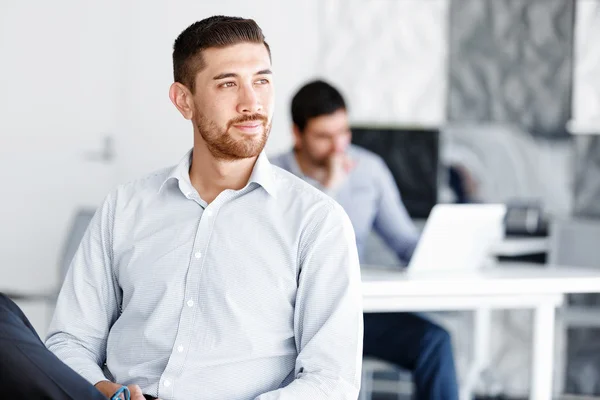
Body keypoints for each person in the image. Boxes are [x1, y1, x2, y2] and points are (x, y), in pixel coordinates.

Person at [3, 16, 365, 400]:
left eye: (261, 81)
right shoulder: (125, 206)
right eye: (229, 84)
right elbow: (71, 340)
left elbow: (332, 381)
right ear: (184, 100)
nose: (252, 103)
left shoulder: (317, 221)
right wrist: (107, 391)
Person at [271, 79, 460, 400]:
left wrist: (447, 252)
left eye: (343, 132)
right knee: (327, 372)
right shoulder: (272, 176)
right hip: (290, 324)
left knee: (434, 341)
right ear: (297, 134)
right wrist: (330, 189)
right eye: (324, 137)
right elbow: (286, 252)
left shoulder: (369, 170)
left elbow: (403, 242)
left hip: (356, 313)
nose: (338, 147)